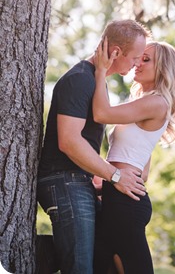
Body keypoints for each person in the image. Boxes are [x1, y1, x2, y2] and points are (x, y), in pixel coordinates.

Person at [37, 19, 151, 274]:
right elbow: (69, 141)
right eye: (134, 57)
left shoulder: (96, 81)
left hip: (79, 181)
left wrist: (99, 176)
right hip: (63, 181)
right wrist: (114, 175)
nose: (136, 63)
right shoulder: (80, 79)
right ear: (116, 52)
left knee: (105, 262)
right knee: (80, 267)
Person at [93, 37, 175, 274]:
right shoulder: (143, 102)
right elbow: (141, 171)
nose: (137, 64)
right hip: (118, 197)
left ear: (162, 69)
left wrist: (101, 70)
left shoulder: (157, 103)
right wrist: (109, 179)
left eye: (146, 59)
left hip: (125, 205)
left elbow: (101, 113)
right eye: (138, 58)